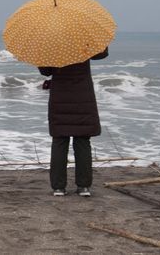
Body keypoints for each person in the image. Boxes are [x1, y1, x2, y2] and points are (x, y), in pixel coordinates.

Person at [39, 47, 108, 197]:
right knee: (82, 139)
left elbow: (45, 71)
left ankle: (58, 187)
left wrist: (42, 53)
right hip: (83, 95)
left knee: (59, 140)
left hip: (60, 97)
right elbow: (102, 54)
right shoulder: (83, 41)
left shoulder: (52, 44)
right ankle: (83, 187)